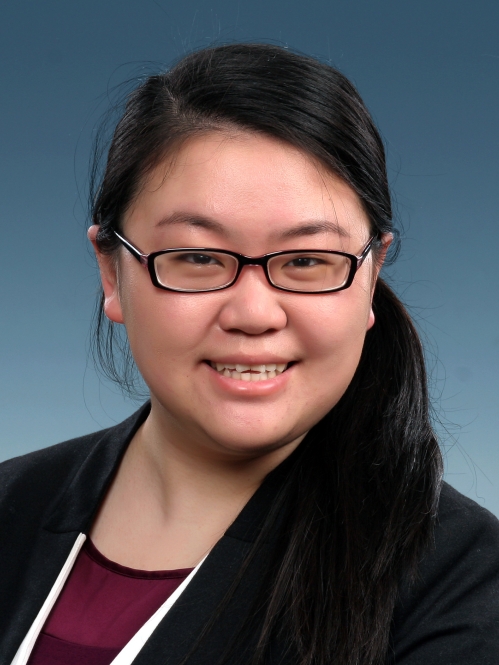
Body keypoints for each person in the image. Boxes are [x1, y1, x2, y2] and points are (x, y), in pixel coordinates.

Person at [1, 43, 498, 665]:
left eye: (309, 261)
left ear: (371, 275)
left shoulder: (461, 577)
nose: (255, 314)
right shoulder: (10, 501)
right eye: (199, 258)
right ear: (111, 272)